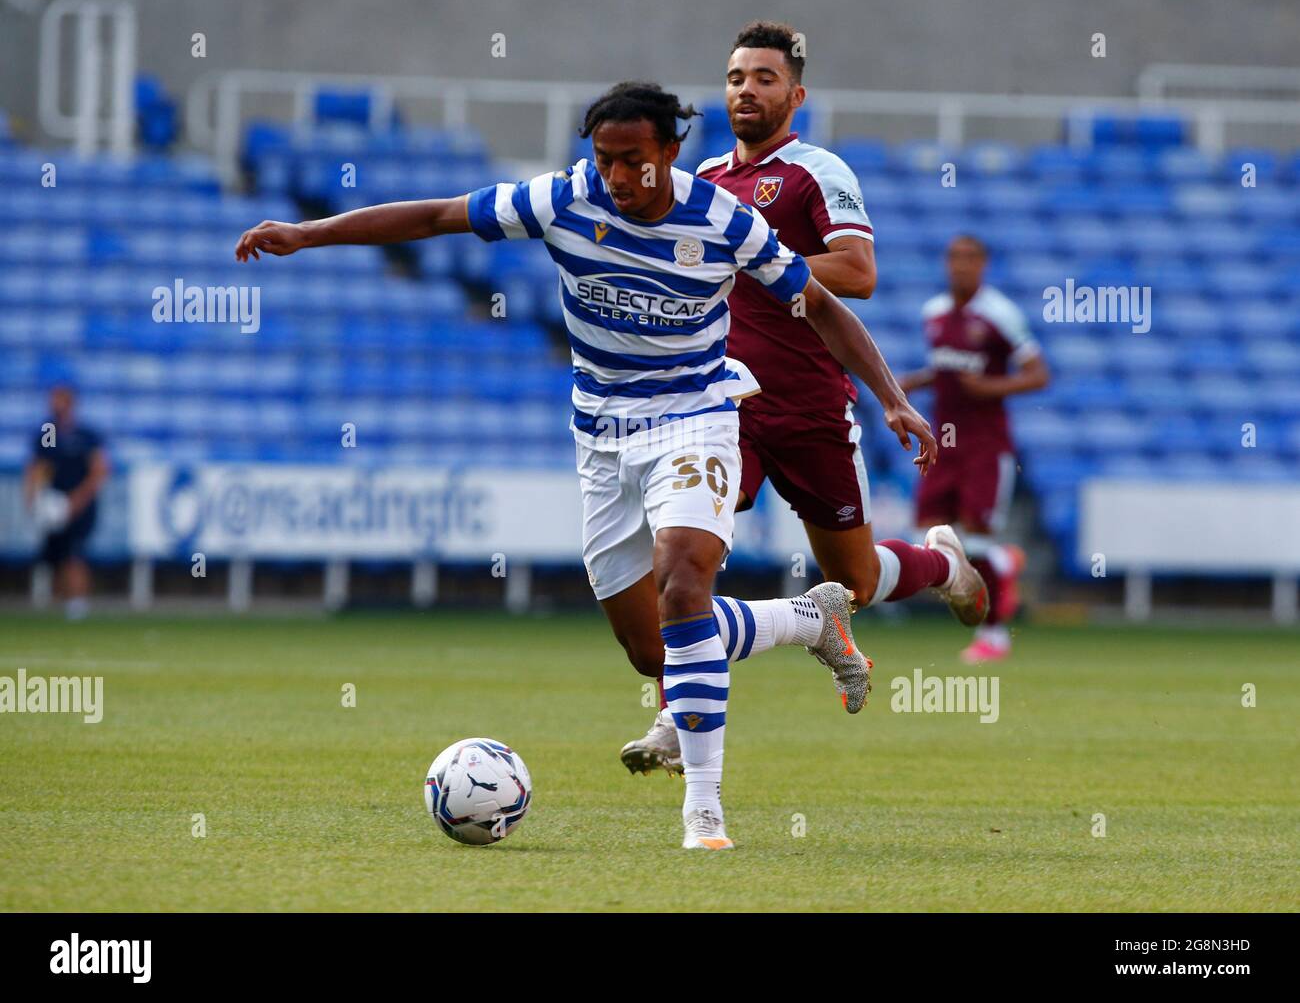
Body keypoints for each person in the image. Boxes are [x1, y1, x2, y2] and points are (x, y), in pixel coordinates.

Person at [236, 81, 937, 850]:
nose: (618, 178)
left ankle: (704, 813)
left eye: (634, 161)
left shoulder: (726, 221)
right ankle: (805, 618)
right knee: (651, 647)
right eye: (605, 160)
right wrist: (308, 233)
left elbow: (825, 305)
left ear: (670, 152)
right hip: (602, 438)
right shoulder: (564, 199)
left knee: (684, 578)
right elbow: (438, 215)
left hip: (695, 420)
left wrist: (893, 400)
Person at [621, 22, 989, 775]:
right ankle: (672, 715)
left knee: (852, 582)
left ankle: (943, 566)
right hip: (725, 410)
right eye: (734, 78)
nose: (745, 90)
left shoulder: (815, 171)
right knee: (683, 560)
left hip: (814, 408)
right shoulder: (706, 184)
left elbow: (857, 272)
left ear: (795, 93)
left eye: (762, 78)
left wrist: (750, 257)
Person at [901, 234, 1051, 662]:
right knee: (926, 535)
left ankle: (994, 638)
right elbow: (948, 369)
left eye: (970, 258)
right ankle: (1005, 561)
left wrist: (991, 386)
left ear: (983, 264)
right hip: (941, 440)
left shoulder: (999, 314)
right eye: (954, 258)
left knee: (976, 538)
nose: (960, 266)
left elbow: (1038, 375)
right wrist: (916, 380)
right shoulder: (935, 313)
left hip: (985, 445)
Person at [23, 384, 109, 620]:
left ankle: (78, 605)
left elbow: (99, 470)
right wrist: (34, 497)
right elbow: (40, 467)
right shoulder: (48, 433)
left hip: (81, 504)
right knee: (58, 555)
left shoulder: (85, 436)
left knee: (76, 553)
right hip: (54, 506)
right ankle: (66, 601)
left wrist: (77, 500)